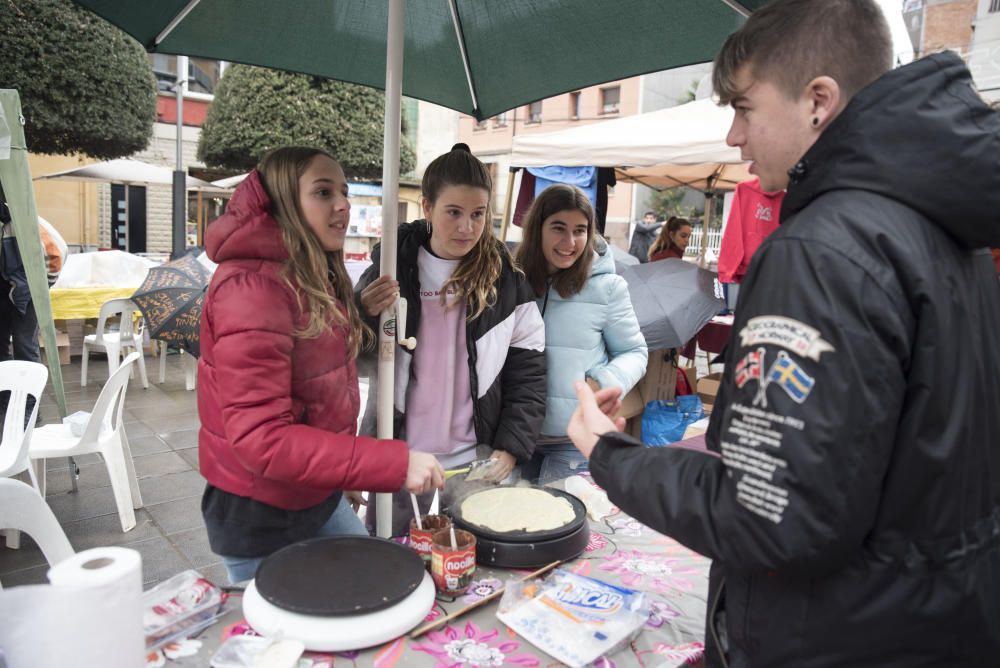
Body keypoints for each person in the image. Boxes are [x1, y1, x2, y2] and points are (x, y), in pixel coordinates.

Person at [565, 0, 1000, 665]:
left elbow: (772, 515)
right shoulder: (949, 235)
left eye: (743, 109)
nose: (734, 139)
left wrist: (610, 454)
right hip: (927, 622)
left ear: (817, 101)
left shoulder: (822, 249)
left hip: (834, 636)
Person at [197, 146, 444, 584]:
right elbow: (262, 439)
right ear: (284, 202)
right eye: (324, 192)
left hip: (314, 492)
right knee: (288, 644)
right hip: (262, 513)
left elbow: (313, 379)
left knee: (367, 590)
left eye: (344, 192)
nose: (343, 205)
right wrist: (393, 464)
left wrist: (338, 477)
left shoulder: (309, 271)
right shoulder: (251, 289)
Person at [356, 143, 546, 534]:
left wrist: (511, 446)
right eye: (453, 213)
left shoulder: (507, 282)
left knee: (467, 572)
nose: (467, 227)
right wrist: (363, 312)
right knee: (396, 566)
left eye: (478, 214)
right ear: (427, 207)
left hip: (475, 461)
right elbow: (354, 355)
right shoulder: (392, 267)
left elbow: (528, 374)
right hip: (401, 457)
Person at [514, 184, 646, 485]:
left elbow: (635, 353)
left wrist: (604, 381)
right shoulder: (513, 280)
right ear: (538, 229)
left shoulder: (608, 288)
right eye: (559, 228)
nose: (570, 241)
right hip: (515, 435)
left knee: (558, 523)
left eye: (580, 230)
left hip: (572, 439)